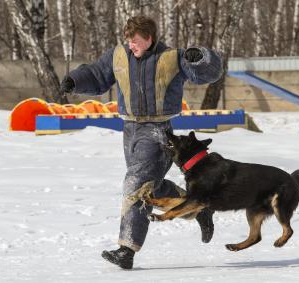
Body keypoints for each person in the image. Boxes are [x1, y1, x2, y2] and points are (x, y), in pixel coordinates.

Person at [61, 15, 223, 269]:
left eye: (136, 41)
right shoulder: (118, 56)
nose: (132, 46)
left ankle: (127, 249)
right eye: (129, 41)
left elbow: (208, 72)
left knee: (136, 184)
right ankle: (198, 207)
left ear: (150, 38)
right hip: (130, 129)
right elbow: (96, 74)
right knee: (153, 188)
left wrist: (199, 57)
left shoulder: (172, 57)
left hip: (158, 131)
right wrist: (74, 80)